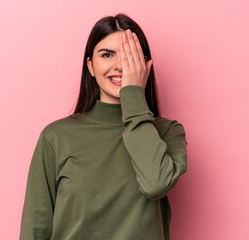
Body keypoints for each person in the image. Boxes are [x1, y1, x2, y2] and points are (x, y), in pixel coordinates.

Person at [19, 13, 188, 240]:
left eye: (130, 56)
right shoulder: (56, 137)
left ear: (144, 66)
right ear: (90, 66)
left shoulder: (167, 132)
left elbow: (155, 184)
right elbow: (35, 229)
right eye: (107, 55)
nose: (119, 66)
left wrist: (133, 97)